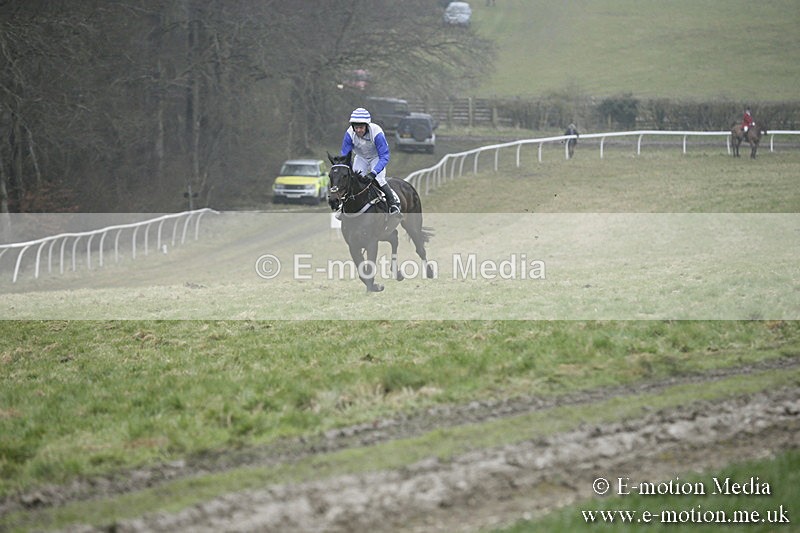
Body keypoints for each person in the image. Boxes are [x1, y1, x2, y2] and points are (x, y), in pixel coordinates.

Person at [335, 107, 401, 218]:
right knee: (353, 180)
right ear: (353, 127)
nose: (359, 130)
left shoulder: (377, 133)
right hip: (361, 157)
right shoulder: (349, 134)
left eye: (361, 127)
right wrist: (348, 170)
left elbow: (384, 156)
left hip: (377, 158)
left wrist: (373, 172)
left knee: (379, 179)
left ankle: (392, 204)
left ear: (367, 126)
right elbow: (345, 156)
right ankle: (343, 207)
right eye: (356, 127)